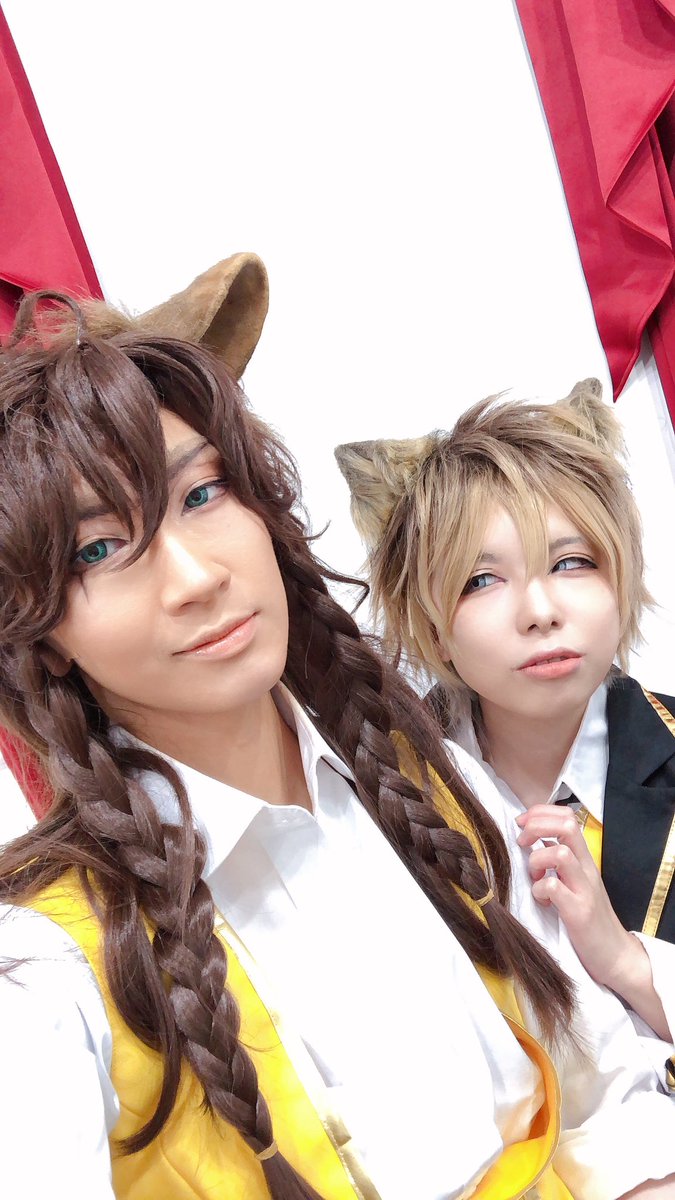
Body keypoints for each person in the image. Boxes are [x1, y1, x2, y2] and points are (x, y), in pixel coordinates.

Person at [0, 292, 596, 1200]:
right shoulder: (46, 967)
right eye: (99, 549)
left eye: (202, 494)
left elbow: (595, 1071)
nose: (196, 577)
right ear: (39, 636)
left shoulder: (418, 771)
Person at [335, 379, 675, 1086]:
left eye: (572, 563)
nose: (540, 610)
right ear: (432, 626)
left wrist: (626, 963)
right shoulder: (366, 795)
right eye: (481, 580)